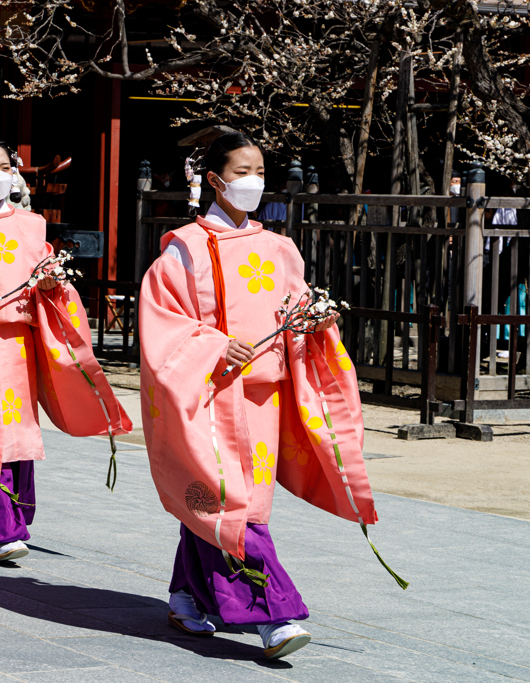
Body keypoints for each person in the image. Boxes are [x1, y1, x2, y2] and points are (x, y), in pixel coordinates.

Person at [139, 132, 393, 660]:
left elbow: (295, 310)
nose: (253, 181)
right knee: (236, 506)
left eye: (259, 171)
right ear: (214, 179)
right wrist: (212, 346)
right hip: (209, 394)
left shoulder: (279, 248)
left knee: (230, 501)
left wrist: (316, 322)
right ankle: (275, 616)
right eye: (242, 172)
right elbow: (162, 325)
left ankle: (185, 595)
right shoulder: (183, 249)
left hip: (263, 399)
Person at [0, 139, 130, 563]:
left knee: (13, 430)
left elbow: (51, 282)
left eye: (5, 165)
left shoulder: (32, 225)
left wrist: (54, 287)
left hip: (18, 346)